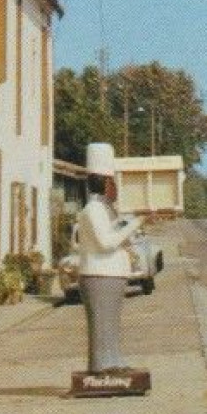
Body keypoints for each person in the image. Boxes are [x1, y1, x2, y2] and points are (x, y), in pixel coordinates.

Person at [77, 142, 142, 374]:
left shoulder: (105, 209)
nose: (116, 188)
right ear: (104, 184)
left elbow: (116, 231)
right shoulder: (93, 210)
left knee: (111, 323)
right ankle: (101, 364)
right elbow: (106, 242)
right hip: (99, 274)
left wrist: (132, 221)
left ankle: (113, 360)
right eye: (112, 183)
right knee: (102, 323)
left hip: (110, 275)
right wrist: (136, 223)